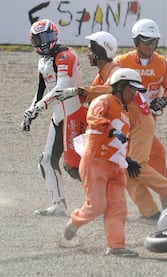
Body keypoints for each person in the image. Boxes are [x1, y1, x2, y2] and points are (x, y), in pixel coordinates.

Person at [57, 29, 167, 220]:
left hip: (140, 121)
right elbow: (92, 101)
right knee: (127, 168)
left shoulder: (115, 70)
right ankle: (150, 211)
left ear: (100, 51)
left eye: (91, 49)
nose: (88, 53)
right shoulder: (102, 75)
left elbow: (108, 89)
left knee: (138, 164)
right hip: (128, 126)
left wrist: (78, 90)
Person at [63, 68, 143, 257]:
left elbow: (119, 142)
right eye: (132, 90)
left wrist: (127, 159)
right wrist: (110, 129)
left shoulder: (124, 113)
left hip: (115, 166)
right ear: (121, 86)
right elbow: (93, 116)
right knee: (97, 206)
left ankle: (116, 246)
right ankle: (75, 221)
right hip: (95, 162)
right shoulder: (105, 100)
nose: (135, 94)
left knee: (118, 207)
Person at [113, 18, 167, 219]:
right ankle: (154, 206)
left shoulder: (161, 63)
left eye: (153, 41)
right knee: (130, 167)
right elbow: (105, 87)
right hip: (123, 126)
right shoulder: (120, 62)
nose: (150, 45)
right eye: (146, 41)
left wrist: (164, 100)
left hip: (145, 126)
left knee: (157, 155)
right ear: (136, 41)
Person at [21, 19, 87, 216]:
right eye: (39, 40)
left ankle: (106, 195)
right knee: (46, 160)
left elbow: (62, 87)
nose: (43, 43)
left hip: (74, 114)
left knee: (74, 166)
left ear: (56, 35)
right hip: (60, 116)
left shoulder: (65, 55)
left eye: (47, 38)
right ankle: (58, 204)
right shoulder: (43, 62)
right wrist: (30, 111)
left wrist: (39, 107)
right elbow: (41, 90)